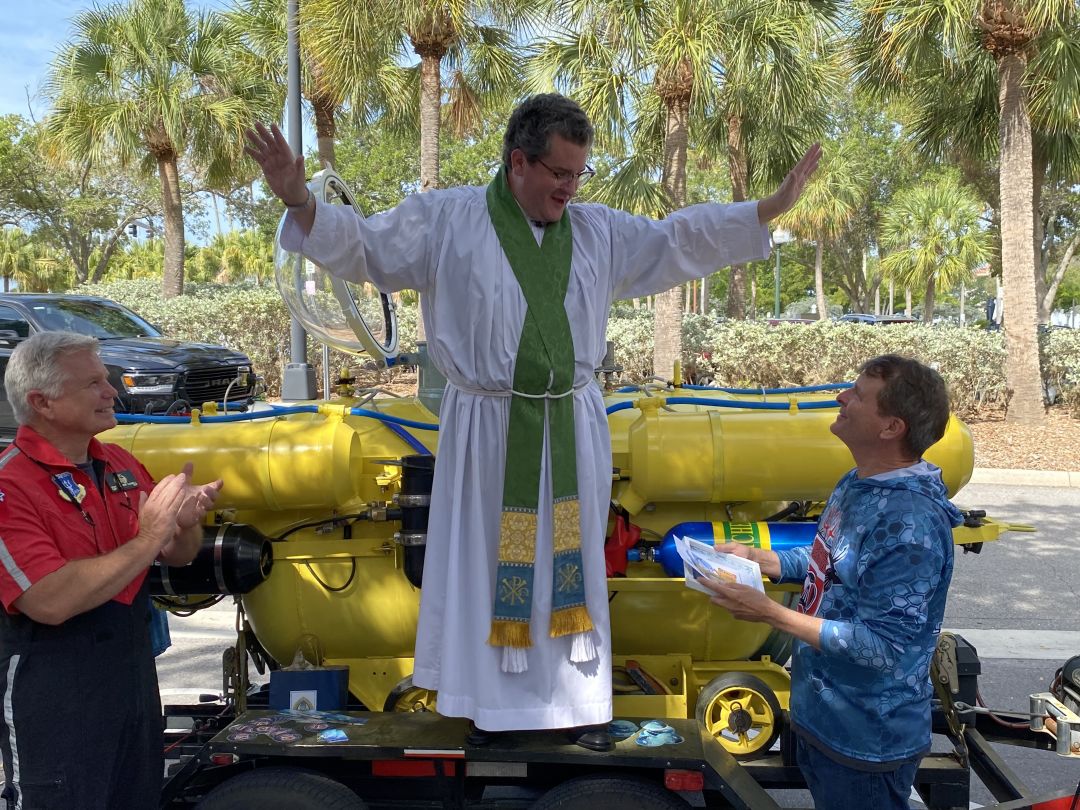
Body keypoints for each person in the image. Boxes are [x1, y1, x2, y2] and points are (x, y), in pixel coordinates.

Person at [245, 93, 820, 750]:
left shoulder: (599, 231)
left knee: (564, 555)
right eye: (558, 174)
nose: (570, 189)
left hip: (570, 426)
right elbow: (369, 247)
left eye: (578, 175)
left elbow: (676, 239)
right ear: (519, 162)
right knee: (488, 560)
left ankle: (568, 699)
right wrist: (300, 202)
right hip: (487, 429)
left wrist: (765, 211)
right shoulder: (448, 221)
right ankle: (484, 700)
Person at [703, 355, 962, 809]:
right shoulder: (858, 482)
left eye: (858, 395)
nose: (841, 397)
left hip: (865, 737)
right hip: (823, 715)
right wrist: (763, 560)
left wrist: (770, 614)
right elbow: (833, 561)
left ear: (890, 428)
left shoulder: (910, 526)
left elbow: (884, 647)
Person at [0, 331, 223, 810]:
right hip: (54, 686)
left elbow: (177, 556)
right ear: (43, 402)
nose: (113, 392)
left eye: (107, 379)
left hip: (130, 675)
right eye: (94, 384)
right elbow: (50, 601)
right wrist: (148, 537)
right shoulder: (10, 485)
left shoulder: (117, 462)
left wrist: (182, 527)